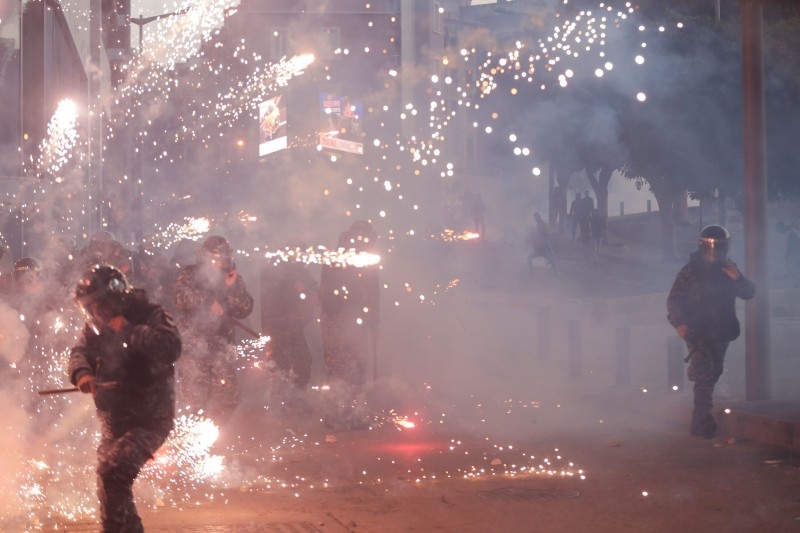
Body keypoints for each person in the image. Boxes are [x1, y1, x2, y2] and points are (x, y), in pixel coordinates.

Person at [68, 264, 181, 532]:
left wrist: (130, 330)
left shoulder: (150, 315)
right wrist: (82, 373)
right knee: (110, 488)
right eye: (90, 307)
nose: (96, 312)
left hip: (149, 419)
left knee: (112, 471)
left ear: (115, 297)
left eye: (100, 305)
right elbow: (79, 352)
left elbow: (170, 348)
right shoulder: (94, 327)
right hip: (114, 420)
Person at [667, 225, 755, 439]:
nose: (716, 252)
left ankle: (703, 414)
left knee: (715, 371)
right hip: (697, 330)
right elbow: (675, 300)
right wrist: (680, 323)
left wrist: (738, 279)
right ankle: (701, 421)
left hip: (721, 330)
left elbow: (748, 293)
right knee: (704, 374)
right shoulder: (690, 271)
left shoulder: (729, 269)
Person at [173, 235, 254, 422]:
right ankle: (194, 438)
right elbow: (179, 297)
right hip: (194, 345)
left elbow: (245, 309)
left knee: (227, 397)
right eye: (217, 258)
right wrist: (207, 301)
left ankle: (219, 434)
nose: (221, 262)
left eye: (224, 258)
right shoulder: (190, 275)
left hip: (221, 346)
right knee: (195, 398)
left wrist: (233, 288)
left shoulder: (233, 279)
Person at [319, 221, 380, 388]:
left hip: (356, 321)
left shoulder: (366, 258)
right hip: (337, 320)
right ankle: (337, 409)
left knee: (359, 365)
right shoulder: (340, 257)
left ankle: (354, 407)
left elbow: (373, 293)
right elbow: (332, 294)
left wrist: (373, 320)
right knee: (339, 369)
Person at [260, 243, 318, 388]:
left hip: (296, 325)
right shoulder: (273, 272)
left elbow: (311, 289)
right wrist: (294, 290)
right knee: (280, 365)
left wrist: (312, 295)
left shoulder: (300, 270)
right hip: (277, 327)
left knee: (303, 361)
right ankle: (279, 403)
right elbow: (272, 301)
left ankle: (297, 398)